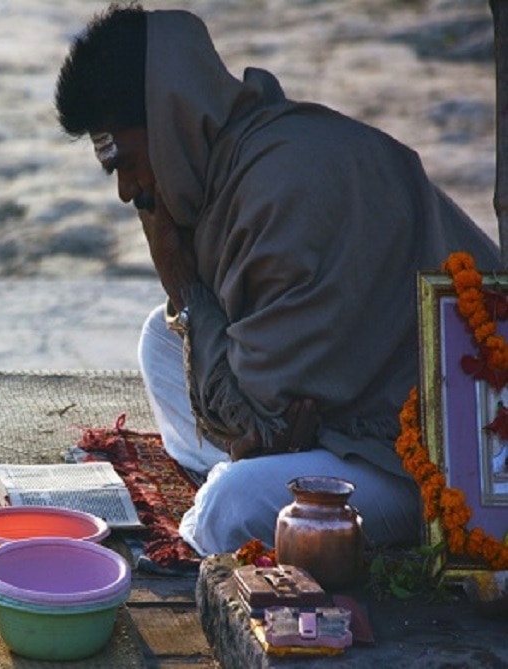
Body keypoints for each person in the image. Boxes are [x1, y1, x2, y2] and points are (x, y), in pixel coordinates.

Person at [54, 3, 500, 555]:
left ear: (168, 122)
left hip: (431, 462)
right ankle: (248, 471)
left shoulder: (277, 192)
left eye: (127, 162)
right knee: (159, 339)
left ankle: (211, 513)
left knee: (230, 508)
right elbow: (263, 417)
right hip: (341, 415)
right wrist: (268, 433)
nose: (127, 190)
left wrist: (184, 286)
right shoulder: (239, 157)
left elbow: (259, 420)